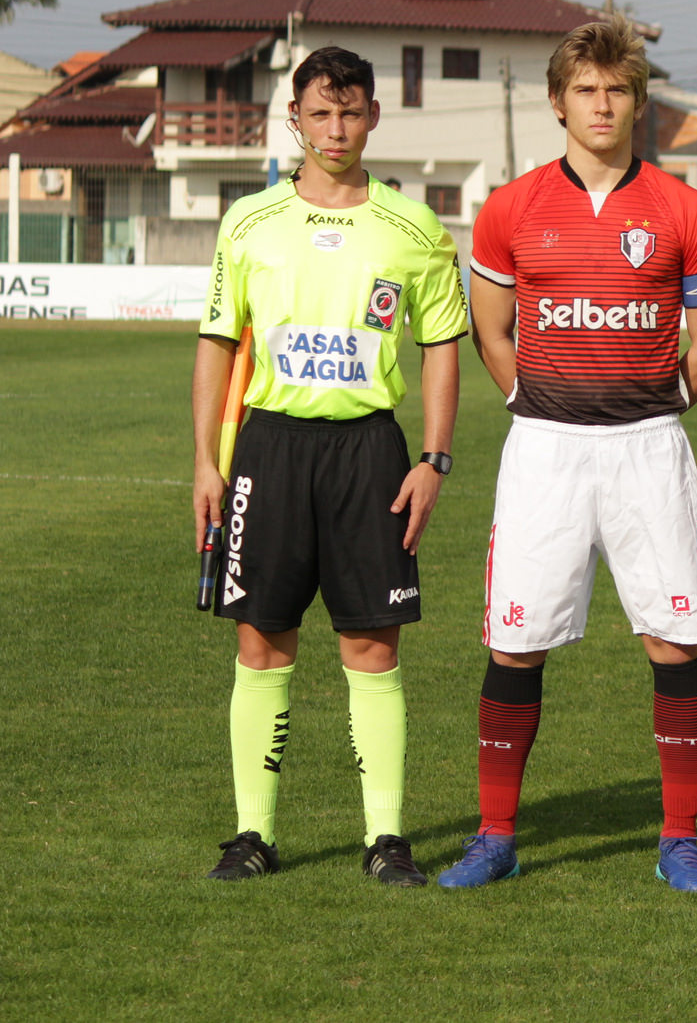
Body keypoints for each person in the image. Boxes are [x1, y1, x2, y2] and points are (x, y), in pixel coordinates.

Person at [436, 16, 697, 892]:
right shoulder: (513, 208)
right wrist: (531, 401)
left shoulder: (683, 207)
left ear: (638, 101)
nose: (602, 104)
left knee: (675, 642)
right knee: (515, 642)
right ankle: (496, 834)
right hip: (545, 451)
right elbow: (491, 329)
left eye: (617, 90)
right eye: (586, 90)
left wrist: (649, 403)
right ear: (557, 103)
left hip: (649, 449)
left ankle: (679, 836)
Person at [192, 46, 467, 885]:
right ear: (295, 120)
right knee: (262, 641)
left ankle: (384, 837)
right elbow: (215, 342)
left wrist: (434, 459)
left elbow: (442, 348)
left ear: (373, 117)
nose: (336, 128)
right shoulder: (247, 222)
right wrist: (206, 460)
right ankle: (252, 834)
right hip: (268, 449)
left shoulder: (414, 227)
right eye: (321, 113)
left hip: (368, 452)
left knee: (372, 647)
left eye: (350, 113)